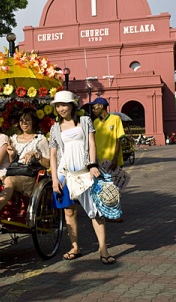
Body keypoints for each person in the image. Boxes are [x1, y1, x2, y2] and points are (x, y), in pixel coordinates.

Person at [49, 91, 115, 264]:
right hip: (66, 174)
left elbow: (91, 143)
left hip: (85, 172)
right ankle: (75, 247)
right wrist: (55, 179)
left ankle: (103, 249)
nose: (61, 109)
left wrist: (93, 165)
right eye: (58, 105)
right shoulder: (55, 128)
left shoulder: (85, 121)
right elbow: (53, 155)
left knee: (96, 212)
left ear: (72, 105)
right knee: (69, 212)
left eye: (64, 105)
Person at [0, 107, 51, 214]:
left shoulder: (40, 139)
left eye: (27, 120)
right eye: (21, 120)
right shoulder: (14, 139)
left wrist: (36, 154)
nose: (24, 123)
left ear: (33, 121)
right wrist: (12, 154)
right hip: (14, 172)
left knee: (9, 180)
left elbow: (48, 164)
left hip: (30, 177)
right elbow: (12, 163)